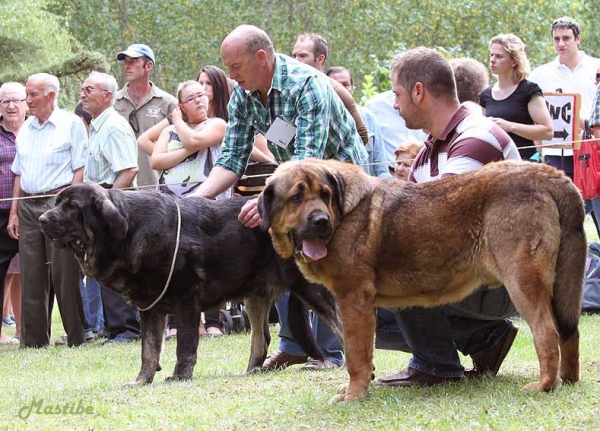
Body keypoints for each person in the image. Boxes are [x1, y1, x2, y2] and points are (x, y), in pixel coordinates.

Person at [191, 25, 368, 370]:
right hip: (295, 186)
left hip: (338, 186)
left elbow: (307, 161)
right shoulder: (244, 94)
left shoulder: (307, 86)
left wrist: (264, 203)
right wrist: (196, 200)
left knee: (328, 263)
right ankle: (295, 346)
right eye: (227, 68)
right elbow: (231, 159)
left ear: (261, 58)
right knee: (284, 253)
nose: (231, 76)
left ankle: (333, 355)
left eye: (235, 67)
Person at [376, 47, 521, 387]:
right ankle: (483, 338)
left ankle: (435, 366)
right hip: (469, 276)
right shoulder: (428, 151)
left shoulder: (475, 137)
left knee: (399, 269)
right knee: (358, 306)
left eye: (397, 94)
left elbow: (431, 224)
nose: (395, 105)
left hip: (505, 281)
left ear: (418, 91)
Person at [8, 73, 87, 348]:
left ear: (51, 95)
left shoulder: (71, 124)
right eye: (27, 94)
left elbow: (80, 169)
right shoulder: (26, 128)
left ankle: (77, 338)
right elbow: (19, 172)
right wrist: (14, 213)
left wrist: (71, 208)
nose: (27, 100)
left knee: (64, 275)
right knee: (31, 275)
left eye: (33, 94)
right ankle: (33, 341)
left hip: (59, 203)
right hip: (28, 206)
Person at [151, 80, 228, 338]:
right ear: (182, 105)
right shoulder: (168, 132)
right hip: (171, 206)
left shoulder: (217, 124)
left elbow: (196, 140)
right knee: (174, 262)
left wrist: (178, 122)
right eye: (192, 98)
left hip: (207, 203)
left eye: (201, 95)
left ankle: (213, 321)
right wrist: (186, 147)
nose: (200, 100)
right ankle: (177, 322)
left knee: (211, 260)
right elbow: (156, 161)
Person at [79, 71, 139, 345]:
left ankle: (128, 328)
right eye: (82, 89)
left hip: (114, 204)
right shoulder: (96, 126)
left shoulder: (114, 126)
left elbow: (128, 170)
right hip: (100, 202)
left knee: (117, 265)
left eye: (88, 89)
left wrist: (108, 209)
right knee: (105, 264)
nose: (82, 94)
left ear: (107, 96)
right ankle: (115, 328)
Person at [529, 17, 600, 234]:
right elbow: (533, 113)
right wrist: (538, 147)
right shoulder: (540, 74)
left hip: (593, 151)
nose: (561, 44)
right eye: (556, 39)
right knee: (561, 222)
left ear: (578, 39)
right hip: (558, 151)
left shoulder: (596, 67)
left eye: (566, 38)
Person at [479, 34, 554, 160]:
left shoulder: (529, 91)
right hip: (494, 168)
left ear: (514, 61)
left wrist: (511, 126)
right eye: (491, 55)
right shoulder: (485, 95)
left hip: (525, 165)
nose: (492, 60)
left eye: (499, 56)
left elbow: (548, 132)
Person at [114, 44, 177, 187]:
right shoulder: (113, 103)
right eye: (126, 62)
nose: (127, 66)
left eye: (133, 61)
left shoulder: (169, 104)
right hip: (120, 189)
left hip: (156, 188)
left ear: (148, 66)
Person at [291, 33, 369, 145]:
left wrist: (337, 157)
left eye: (303, 56)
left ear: (320, 59)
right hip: (296, 158)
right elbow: (277, 138)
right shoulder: (287, 89)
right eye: (294, 55)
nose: (296, 61)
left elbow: (363, 135)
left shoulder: (336, 90)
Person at [0, 82, 26, 345]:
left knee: (24, 272)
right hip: (1, 210)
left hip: (31, 210)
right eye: (5, 101)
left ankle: (23, 329)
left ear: (25, 102)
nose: (10, 106)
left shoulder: (35, 129)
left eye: (15, 100)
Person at [326, 66, 387, 177]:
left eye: (345, 85)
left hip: (364, 189)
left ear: (352, 88)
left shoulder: (368, 118)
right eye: (336, 85)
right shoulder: (320, 118)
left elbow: (382, 168)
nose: (341, 90)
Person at [363, 89, 428, 178]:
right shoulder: (375, 106)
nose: (396, 105)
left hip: (425, 175)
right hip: (391, 175)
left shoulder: (431, 100)